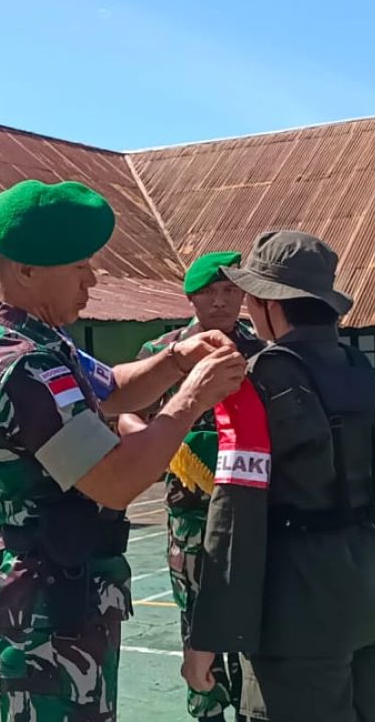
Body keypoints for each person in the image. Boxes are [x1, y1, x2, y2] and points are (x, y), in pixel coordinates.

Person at [0, 179, 247, 721]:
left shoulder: (41, 340)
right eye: (78, 268)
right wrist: (190, 399)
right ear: (25, 271)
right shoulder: (18, 366)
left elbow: (111, 388)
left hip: (67, 596)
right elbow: (114, 480)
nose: (92, 280)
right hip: (45, 616)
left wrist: (176, 361)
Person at [186, 230, 375, 722]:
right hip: (372, 593)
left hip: (297, 611)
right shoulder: (360, 370)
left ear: (269, 304)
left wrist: (209, 636)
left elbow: (234, 514)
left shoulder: (256, 380)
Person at [135, 251, 265, 721]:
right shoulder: (165, 353)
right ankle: (207, 707)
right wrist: (153, 444)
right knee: (195, 615)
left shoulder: (261, 353)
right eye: (209, 292)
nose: (221, 300)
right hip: (191, 515)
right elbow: (127, 408)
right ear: (191, 297)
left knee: (255, 618)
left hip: (251, 513)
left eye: (231, 290)